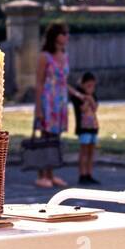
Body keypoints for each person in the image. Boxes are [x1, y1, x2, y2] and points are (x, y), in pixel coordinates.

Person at [33, 22, 86, 189]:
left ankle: (51, 174)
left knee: (55, 140)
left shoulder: (65, 55)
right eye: (64, 33)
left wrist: (77, 94)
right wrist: (38, 109)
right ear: (55, 36)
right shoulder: (44, 57)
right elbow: (40, 83)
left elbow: (63, 82)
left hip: (61, 103)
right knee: (46, 140)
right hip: (48, 103)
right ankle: (41, 175)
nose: (67, 37)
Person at [71, 71, 100, 185]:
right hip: (83, 129)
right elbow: (82, 109)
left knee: (91, 152)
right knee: (84, 152)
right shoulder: (78, 96)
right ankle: (82, 174)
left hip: (93, 127)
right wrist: (87, 98)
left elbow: (95, 108)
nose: (91, 88)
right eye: (88, 85)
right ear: (82, 84)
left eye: (93, 86)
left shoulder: (93, 96)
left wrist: (91, 98)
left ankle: (89, 174)